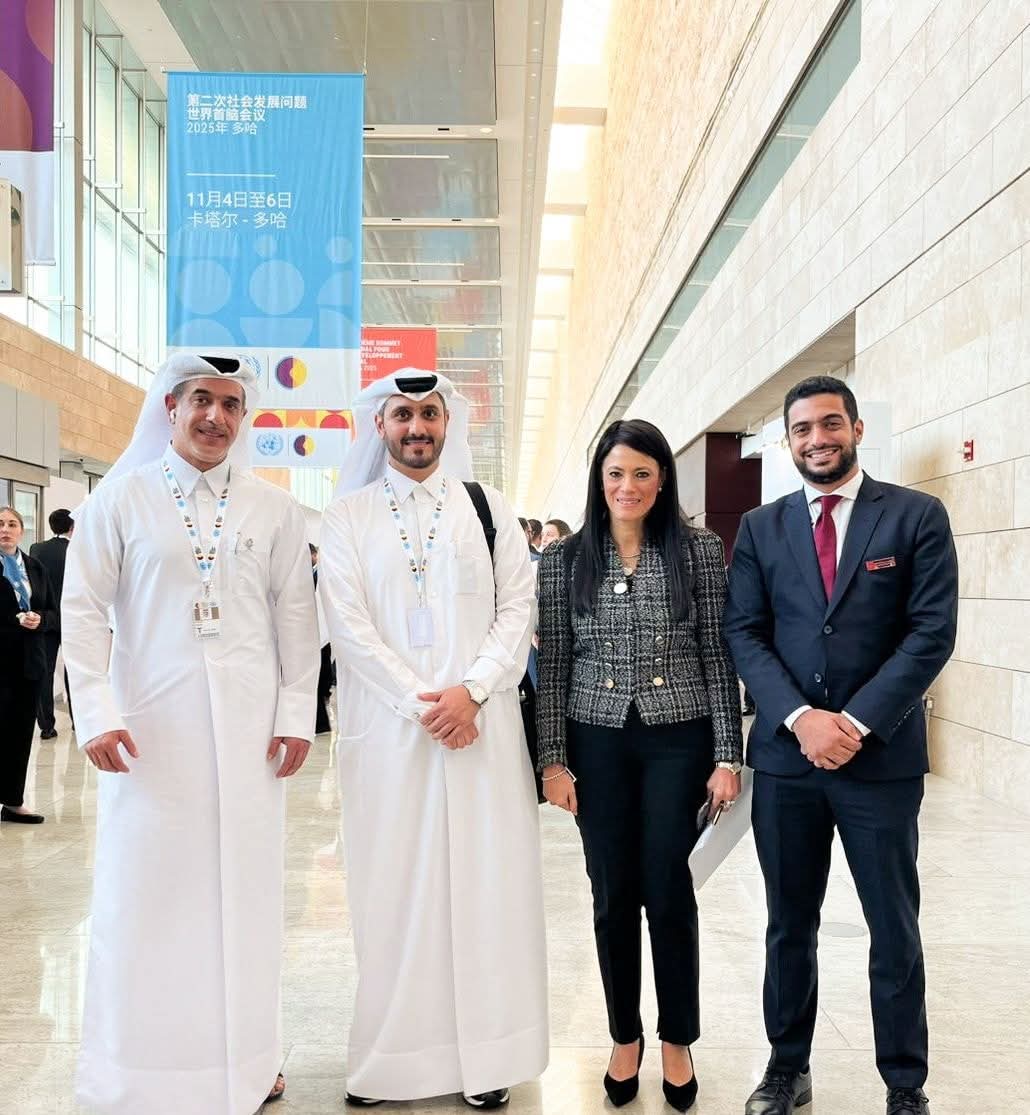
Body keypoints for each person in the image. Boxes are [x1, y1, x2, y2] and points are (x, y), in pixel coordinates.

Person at [62, 352, 320, 1115]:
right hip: (149, 740)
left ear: (244, 417)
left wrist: (295, 714)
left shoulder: (274, 509)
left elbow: (296, 616)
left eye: (231, 404)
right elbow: (83, 609)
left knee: (245, 898)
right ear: (171, 407)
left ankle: (249, 1060)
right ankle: (144, 1064)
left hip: (249, 742)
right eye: (202, 399)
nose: (215, 416)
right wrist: (95, 709)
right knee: (148, 897)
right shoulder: (121, 499)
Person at [723, 376, 958, 1115]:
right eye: (802, 429)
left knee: (893, 926)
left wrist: (853, 722)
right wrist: (801, 718)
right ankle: (786, 1068)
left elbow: (931, 632)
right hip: (787, 762)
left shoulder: (915, 515)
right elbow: (744, 633)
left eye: (830, 424)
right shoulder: (761, 528)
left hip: (879, 762)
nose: (817, 439)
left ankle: (905, 1084)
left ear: (856, 428)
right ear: (786, 441)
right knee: (789, 923)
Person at [319, 369, 548, 1110]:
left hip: (482, 730)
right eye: (403, 414)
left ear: (448, 423)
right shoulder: (347, 517)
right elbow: (347, 625)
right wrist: (426, 705)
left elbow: (518, 608)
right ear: (379, 425)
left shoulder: (487, 507)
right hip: (390, 738)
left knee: (487, 888)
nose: (417, 427)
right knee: (393, 888)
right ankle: (392, 1060)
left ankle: (487, 1059)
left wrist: (471, 691)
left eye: (429, 413)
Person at [536, 419, 743, 1113]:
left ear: (662, 480)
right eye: (616, 473)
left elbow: (716, 653)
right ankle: (624, 1036)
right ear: (599, 480)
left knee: (670, 889)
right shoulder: (564, 559)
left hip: (678, 739)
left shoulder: (698, 549)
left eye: (642, 474)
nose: (628, 486)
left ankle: (677, 1038)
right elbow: (555, 665)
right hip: (595, 741)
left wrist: (727, 753)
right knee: (612, 893)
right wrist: (553, 760)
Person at [1, 505, 56, 824]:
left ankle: (13, 801)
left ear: (22, 531)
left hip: (29, 663)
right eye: (0, 524)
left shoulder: (35, 567)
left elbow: (54, 611)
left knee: (20, 732)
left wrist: (41, 619)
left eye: (12, 524)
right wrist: (14, 620)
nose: (5, 529)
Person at [30, 507, 74, 738]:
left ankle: (46, 726)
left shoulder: (36, 549)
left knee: (45, 671)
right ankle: (79, 722)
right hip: (73, 618)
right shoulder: (76, 550)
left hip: (46, 617)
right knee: (74, 670)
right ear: (72, 526)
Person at [309, 543, 335, 735]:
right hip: (318, 632)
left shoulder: (322, 574)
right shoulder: (313, 574)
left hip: (322, 632)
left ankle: (321, 724)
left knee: (319, 678)